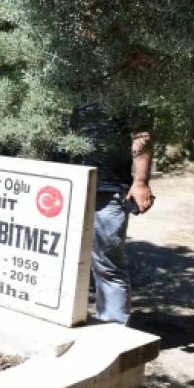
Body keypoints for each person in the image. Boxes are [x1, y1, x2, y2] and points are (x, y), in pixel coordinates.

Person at [59, 103, 154, 325]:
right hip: (60, 186)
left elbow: (141, 134)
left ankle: (112, 333)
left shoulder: (124, 80)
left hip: (108, 189)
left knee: (107, 264)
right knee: (58, 259)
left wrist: (140, 182)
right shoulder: (59, 77)